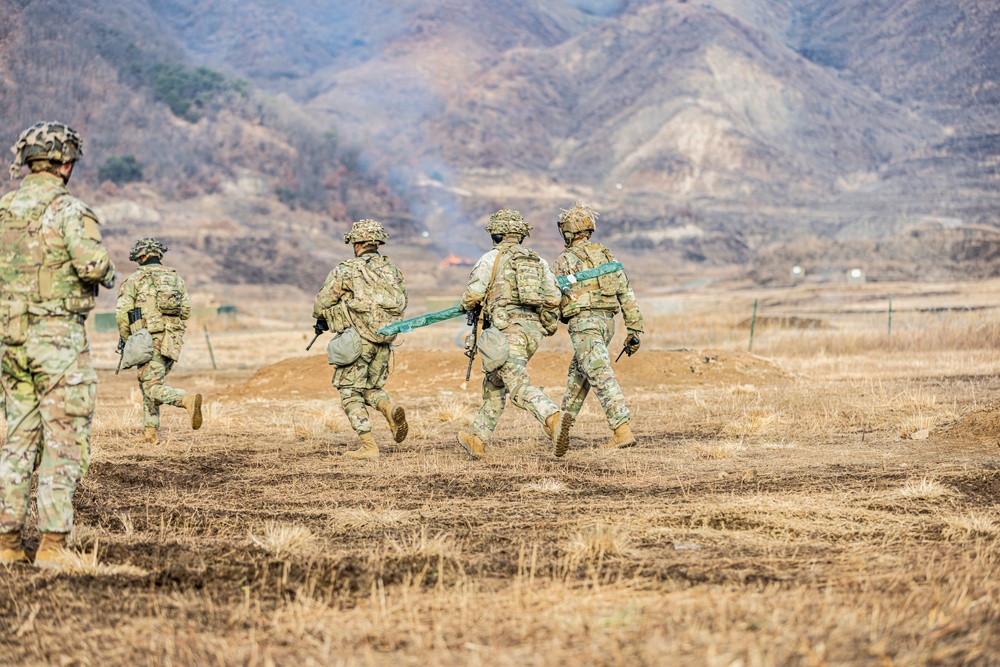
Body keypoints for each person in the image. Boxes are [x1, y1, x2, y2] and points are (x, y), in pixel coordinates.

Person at [0, 121, 116, 567]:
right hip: (58, 344)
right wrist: (106, 271)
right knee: (64, 440)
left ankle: (8, 543)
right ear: (65, 163)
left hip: (12, 343)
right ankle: (52, 546)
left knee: (17, 439)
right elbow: (92, 266)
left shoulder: (6, 209)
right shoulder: (70, 211)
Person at [457, 209, 565, 458]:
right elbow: (554, 297)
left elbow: (473, 295)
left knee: (516, 385)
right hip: (531, 333)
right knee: (495, 383)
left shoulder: (489, 259)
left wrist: (465, 303)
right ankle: (478, 439)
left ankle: (554, 418)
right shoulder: (538, 262)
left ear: (495, 234)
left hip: (506, 332)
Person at [552, 202, 643, 456]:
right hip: (607, 324)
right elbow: (626, 292)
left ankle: (622, 430)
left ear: (568, 232)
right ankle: (561, 427)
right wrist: (634, 329)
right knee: (580, 374)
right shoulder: (607, 256)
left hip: (584, 324)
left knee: (600, 372)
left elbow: (552, 298)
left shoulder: (564, 260)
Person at [313, 219, 408, 460]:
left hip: (357, 342)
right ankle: (388, 409)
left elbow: (321, 304)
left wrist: (328, 317)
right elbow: (402, 301)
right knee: (371, 388)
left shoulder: (345, 270)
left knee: (349, 392)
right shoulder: (393, 271)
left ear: (356, 244)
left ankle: (368, 447)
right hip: (385, 340)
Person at [116, 238, 202, 446]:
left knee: (153, 386)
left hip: (147, 339)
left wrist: (130, 341)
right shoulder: (176, 279)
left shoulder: (134, 279)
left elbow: (122, 314)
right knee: (149, 382)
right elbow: (187, 312)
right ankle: (150, 433)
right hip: (172, 340)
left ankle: (185, 400)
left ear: (141, 256)